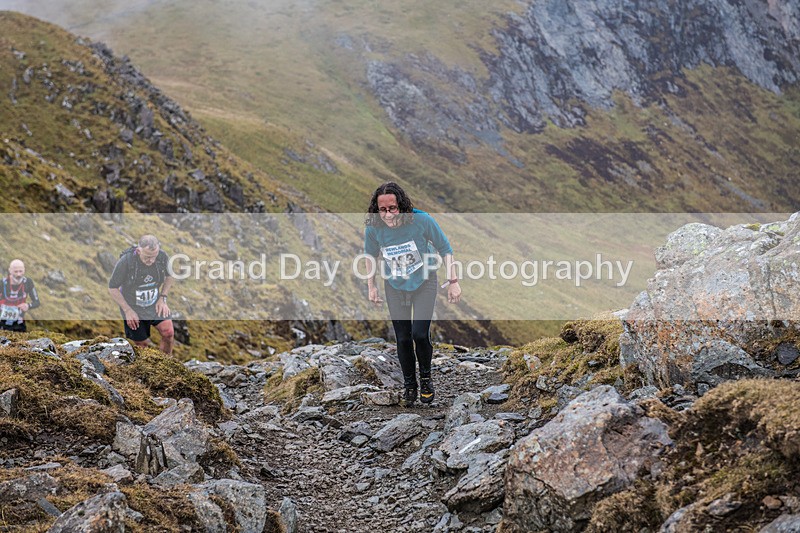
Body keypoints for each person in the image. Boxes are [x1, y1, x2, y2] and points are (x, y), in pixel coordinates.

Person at [364, 182, 461, 407]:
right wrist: (372, 286)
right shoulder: (374, 227)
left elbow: (445, 249)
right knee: (403, 338)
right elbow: (370, 256)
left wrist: (454, 281)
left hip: (424, 282)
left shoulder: (422, 220)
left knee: (419, 333)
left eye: (393, 208)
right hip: (394, 286)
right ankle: (410, 385)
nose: (388, 214)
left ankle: (426, 379)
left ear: (402, 205)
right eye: (382, 210)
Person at [108, 235, 175, 355]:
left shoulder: (162, 256)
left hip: (155, 303)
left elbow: (170, 276)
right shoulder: (126, 261)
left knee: (168, 332)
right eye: (147, 257)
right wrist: (127, 310)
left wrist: (163, 298)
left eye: (153, 257)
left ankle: (167, 364)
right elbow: (112, 288)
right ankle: (146, 370)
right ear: (138, 251)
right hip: (133, 307)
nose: (151, 261)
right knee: (142, 345)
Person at [0, 259, 41, 332]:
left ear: (24, 270)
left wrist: (28, 306)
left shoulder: (28, 282)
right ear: (10, 271)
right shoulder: (2, 283)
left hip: (19, 324)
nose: (18, 274)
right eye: (15, 271)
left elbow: (37, 302)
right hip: (2, 323)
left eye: (20, 271)